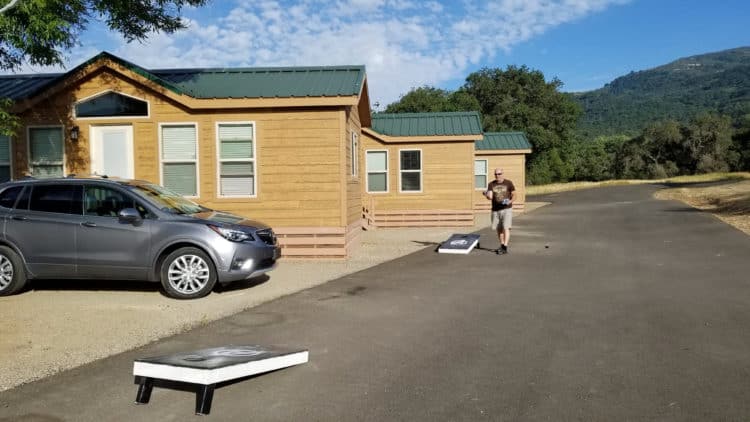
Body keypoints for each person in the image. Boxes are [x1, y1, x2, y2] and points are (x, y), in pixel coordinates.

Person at [484, 168, 515, 255]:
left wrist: (510, 201)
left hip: (506, 209)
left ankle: (505, 246)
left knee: (506, 227)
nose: (497, 175)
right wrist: (486, 194)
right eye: (496, 174)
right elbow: (490, 197)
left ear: (502, 174)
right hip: (495, 210)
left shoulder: (508, 183)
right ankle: (501, 245)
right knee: (499, 229)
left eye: (499, 174)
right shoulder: (491, 184)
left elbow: (515, 195)